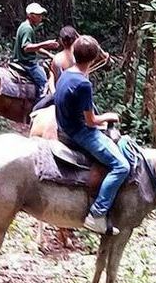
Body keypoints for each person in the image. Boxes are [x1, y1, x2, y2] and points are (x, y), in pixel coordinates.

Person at [54, 35, 130, 235]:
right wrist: (108, 116)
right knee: (122, 166)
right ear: (95, 58)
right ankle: (96, 214)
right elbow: (90, 121)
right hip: (78, 132)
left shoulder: (66, 73)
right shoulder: (84, 84)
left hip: (62, 127)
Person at [13, 3, 59, 98]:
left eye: (41, 15)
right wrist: (45, 44)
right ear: (30, 16)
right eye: (38, 15)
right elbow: (26, 48)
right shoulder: (28, 29)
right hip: (28, 63)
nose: (40, 17)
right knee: (45, 85)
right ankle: (40, 105)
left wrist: (49, 55)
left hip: (23, 60)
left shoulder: (24, 26)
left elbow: (34, 46)